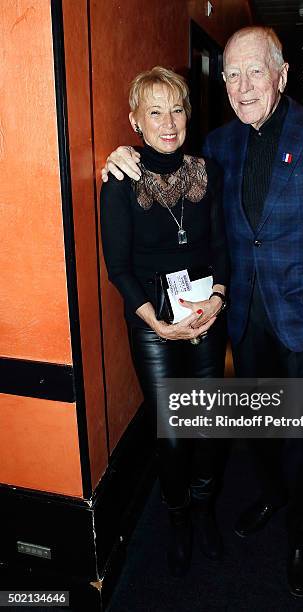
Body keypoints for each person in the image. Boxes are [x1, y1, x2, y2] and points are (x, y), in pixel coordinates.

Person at [101, 27, 303, 596]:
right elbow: (167, 160)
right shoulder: (219, 146)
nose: (242, 84)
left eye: (255, 71)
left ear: (280, 75)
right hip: (243, 315)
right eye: (231, 73)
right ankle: (274, 494)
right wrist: (120, 153)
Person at [100, 66, 229, 577]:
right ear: (136, 121)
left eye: (176, 108)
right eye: (155, 111)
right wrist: (156, 322)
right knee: (172, 432)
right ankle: (177, 517)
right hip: (151, 316)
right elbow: (119, 267)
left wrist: (217, 298)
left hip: (204, 308)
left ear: (188, 115)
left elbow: (221, 245)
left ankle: (204, 509)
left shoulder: (207, 171)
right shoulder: (121, 180)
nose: (168, 121)